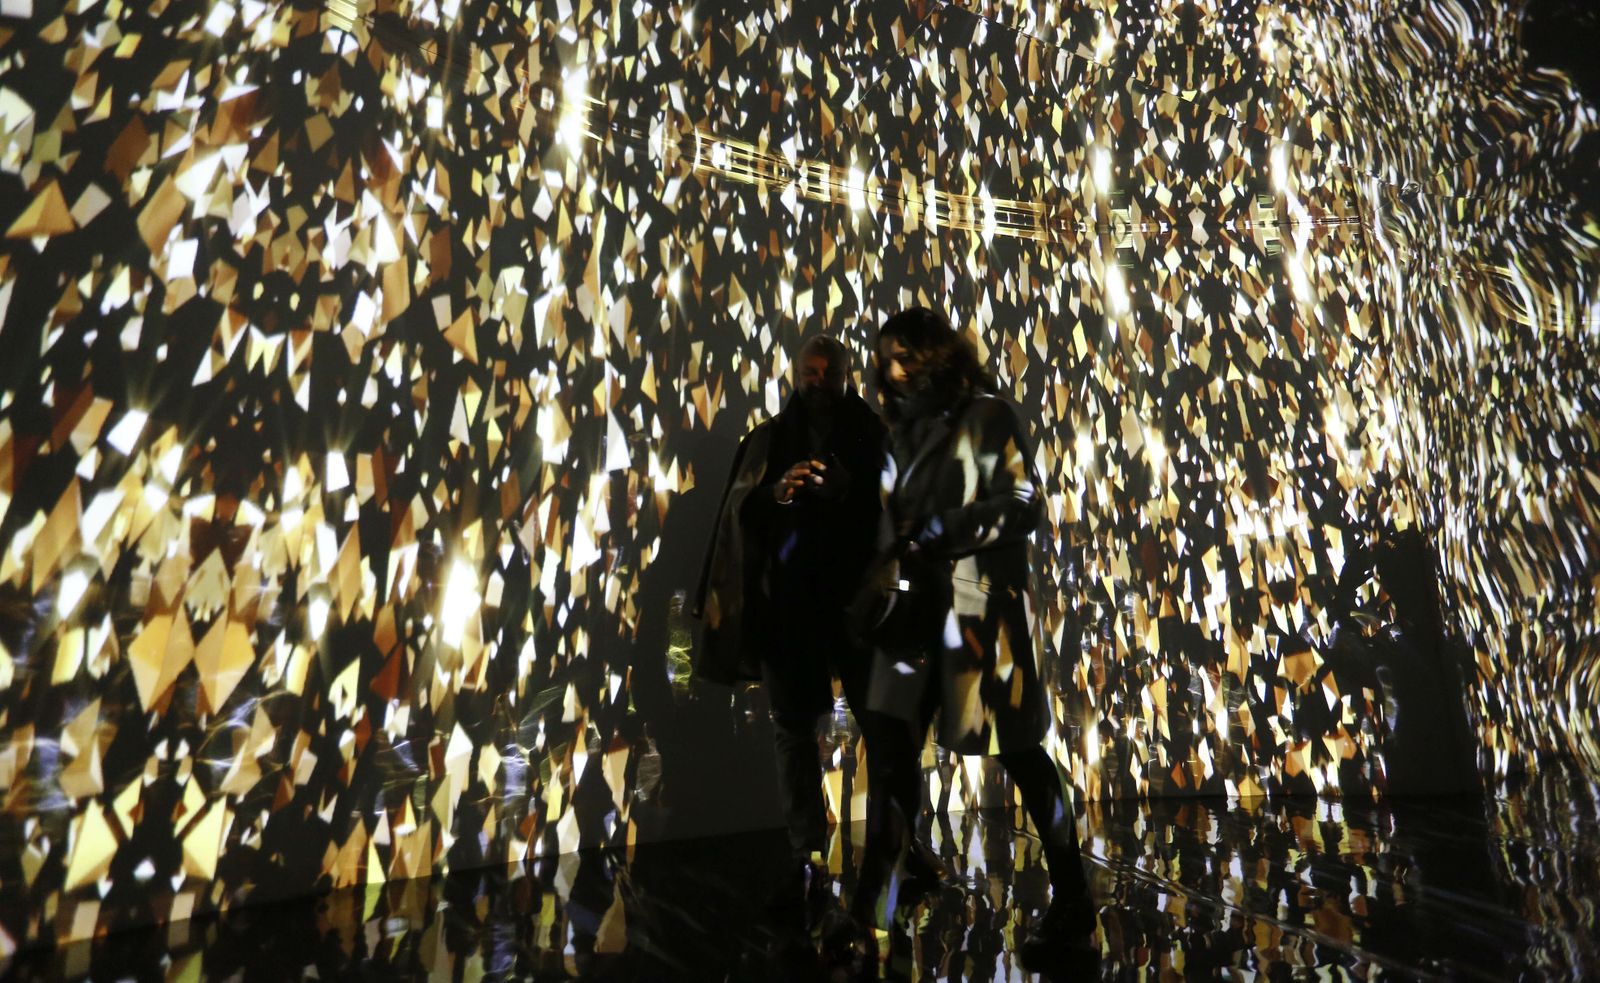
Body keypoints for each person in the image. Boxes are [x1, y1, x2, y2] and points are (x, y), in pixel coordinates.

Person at [857, 306, 1094, 963]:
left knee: (1021, 755)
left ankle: (1074, 898)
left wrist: (943, 531)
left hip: (977, 616)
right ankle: (871, 907)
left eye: (904, 355)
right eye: (886, 357)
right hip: (907, 619)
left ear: (937, 354)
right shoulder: (894, 431)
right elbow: (886, 516)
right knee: (890, 753)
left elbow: (1025, 503)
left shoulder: (989, 414)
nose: (892, 368)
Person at [694, 335, 928, 888]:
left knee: (887, 729)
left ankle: (898, 844)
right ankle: (808, 851)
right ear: (797, 375)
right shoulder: (771, 440)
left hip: (861, 609)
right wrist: (776, 493)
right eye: (810, 371)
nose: (818, 381)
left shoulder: (875, 438)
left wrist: (854, 491)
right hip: (791, 612)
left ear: (846, 376)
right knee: (794, 732)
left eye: (828, 372)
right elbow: (740, 513)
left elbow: (905, 517)